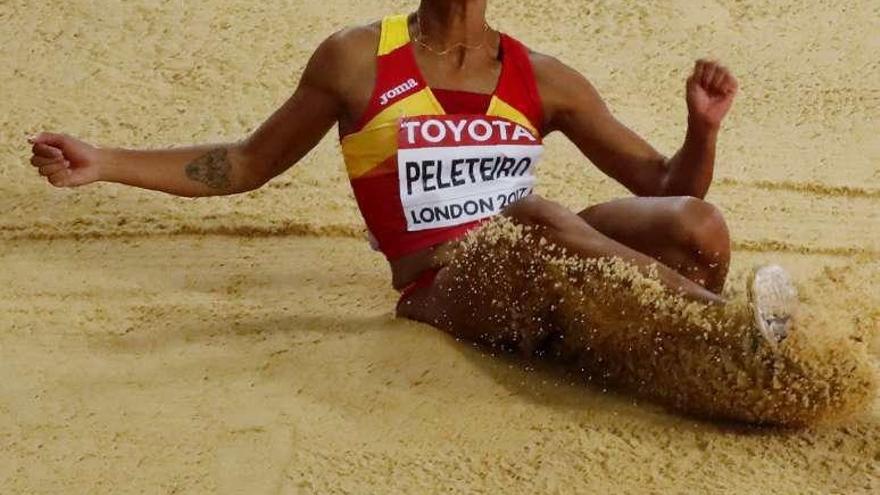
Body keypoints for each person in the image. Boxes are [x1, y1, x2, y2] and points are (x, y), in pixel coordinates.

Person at [27, 1, 803, 421]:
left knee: (699, 228)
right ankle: (730, 328)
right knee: (531, 213)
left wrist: (702, 128)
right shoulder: (356, 58)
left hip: (550, 259)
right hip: (447, 283)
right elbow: (248, 162)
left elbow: (669, 182)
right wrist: (107, 162)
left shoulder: (545, 77)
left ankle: (702, 369)